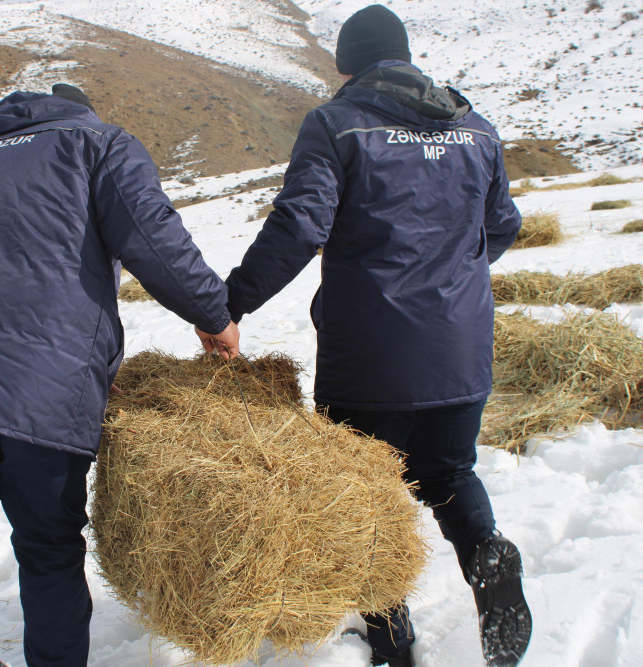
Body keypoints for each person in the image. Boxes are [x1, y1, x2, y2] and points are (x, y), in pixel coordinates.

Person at [224, 6, 529, 667]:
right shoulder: (474, 128)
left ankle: (391, 641)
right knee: (449, 471)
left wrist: (230, 304)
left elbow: (299, 226)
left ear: (346, 64)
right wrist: (450, 275)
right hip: (460, 350)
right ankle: (486, 552)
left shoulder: (337, 124)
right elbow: (502, 225)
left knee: (362, 495)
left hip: (369, 357)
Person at [0, 83, 239, 667]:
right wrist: (213, 315)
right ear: (81, 112)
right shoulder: (98, 143)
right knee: (48, 544)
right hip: (44, 381)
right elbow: (150, 235)